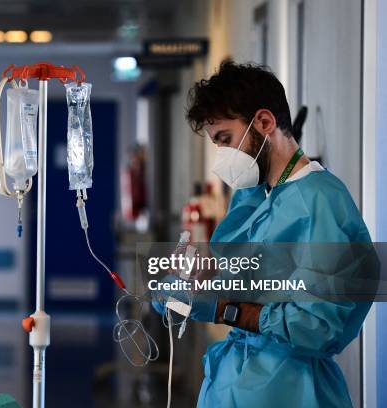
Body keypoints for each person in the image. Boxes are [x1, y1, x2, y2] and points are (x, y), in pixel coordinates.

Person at [152, 61, 373, 407]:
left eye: (225, 139)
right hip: (233, 384)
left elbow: (316, 326)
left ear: (265, 122)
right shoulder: (253, 197)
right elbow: (242, 277)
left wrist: (224, 310)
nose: (222, 157)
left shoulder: (320, 202)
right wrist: (196, 281)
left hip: (292, 389)